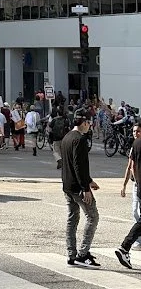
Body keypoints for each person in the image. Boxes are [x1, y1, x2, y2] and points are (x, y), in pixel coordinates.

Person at [61, 110, 100, 267]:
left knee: (72, 218)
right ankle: (83, 253)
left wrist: (89, 181)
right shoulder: (80, 140)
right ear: (84, 123)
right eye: (89, 123)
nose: (89, 126)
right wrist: (85, 188)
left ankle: (71, 254)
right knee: (93, 216)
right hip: (78, 187)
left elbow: (70, 164)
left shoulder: (67, 137)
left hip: (67, 186)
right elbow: (78, 165)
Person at [116, 120, 141, 267]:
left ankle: (125, 247)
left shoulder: (136, 144)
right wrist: (125, 185)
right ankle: (125, 246)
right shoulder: (136, 144)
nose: (135, 134)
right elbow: (130, 166)